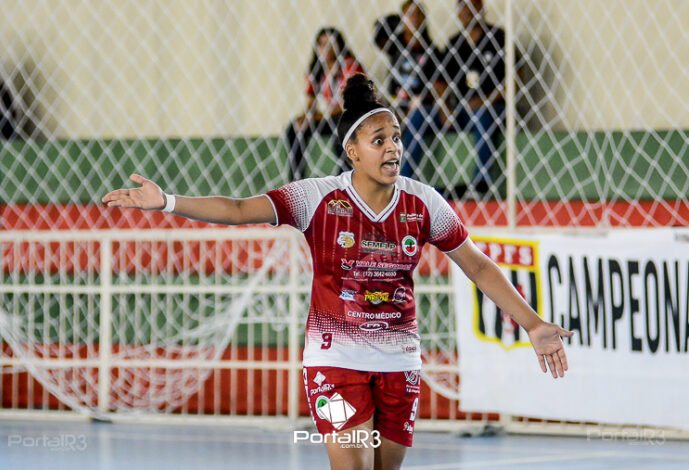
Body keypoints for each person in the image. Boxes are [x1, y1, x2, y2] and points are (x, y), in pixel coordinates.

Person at [102, 74, 572, 470]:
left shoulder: (424, 202)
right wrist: (167, 201)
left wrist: (533, 324)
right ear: (352, 151)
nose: (393, 148)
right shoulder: (316, 197)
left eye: (396, 137)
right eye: (379, 140)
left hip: (399, 363)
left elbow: (479, 266)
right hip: (335, 360)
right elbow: (239, 209)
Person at [437, 0, 508, 198]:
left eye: (472, 5)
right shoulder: (454, 44)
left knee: (482, 114)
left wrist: (486, 101)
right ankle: (408, 182)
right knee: (422, 116)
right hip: (461, 110)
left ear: (481, 8)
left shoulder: (498, 37)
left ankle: (481, 184)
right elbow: (440, 83)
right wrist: (444, 108)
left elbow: (515, 79)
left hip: (493, 108)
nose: (468, 11)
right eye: (463, 6)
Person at [285, 27, 364, 180]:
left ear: (339, 45)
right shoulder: (317, 70)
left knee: (340, 135)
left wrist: (320, 116)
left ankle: (345, 180)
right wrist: (306, 117)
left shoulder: (350, 65)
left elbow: (347, 104)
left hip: (351, 117)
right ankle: (295, 180)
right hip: (329, 118)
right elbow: (311, 102)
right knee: (294, 128)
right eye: (321, 44)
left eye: (330, 43)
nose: (326, 48)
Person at [375, 1, 441, 183]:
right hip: (397, 105)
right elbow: (377, 36)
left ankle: (402, 179)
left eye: (418, 15)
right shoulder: (395, 47)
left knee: (416, 117)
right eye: (409, 15)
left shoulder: (433, 50)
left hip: (423, 107)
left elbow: (439, 88)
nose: (414, 19)